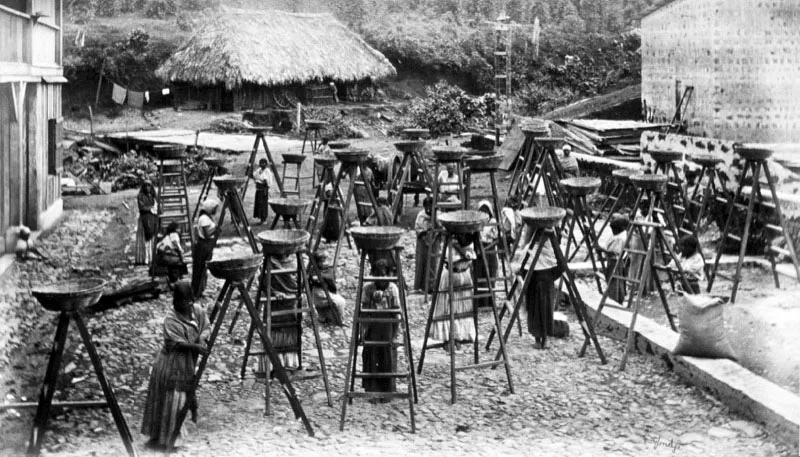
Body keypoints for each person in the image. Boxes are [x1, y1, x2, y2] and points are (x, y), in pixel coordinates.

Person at [141, 281, 209, 451]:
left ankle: (167, 438)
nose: (179, 304)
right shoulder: (170, 320)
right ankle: (169, 439)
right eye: (176, 300)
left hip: (186, 362)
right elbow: (177, 344)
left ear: (190, 300)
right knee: (173, 400)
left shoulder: (198, 311)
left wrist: (201, 339)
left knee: (180, 398)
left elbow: (206, 327)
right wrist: (195, 347)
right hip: (170, 363)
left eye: (183, 300)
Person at [361, 259, 401, 401]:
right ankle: (372, 390)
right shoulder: (368, 288)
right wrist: (362, 333)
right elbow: (363, 312)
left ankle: (387, 391)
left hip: (387, 327)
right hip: (373, 325)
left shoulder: (393, 289)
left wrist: (395, 336)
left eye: (384, 276)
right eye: (377, 275)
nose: (381, 280)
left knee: (386, 357)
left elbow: (396, 314)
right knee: (371, 356)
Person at [429, 233, 477, 351]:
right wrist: (458, 246)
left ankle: (459, 336)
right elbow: (452, 258)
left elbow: (471, 256)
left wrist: (463, 248)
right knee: (447, 307)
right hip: (451, 275)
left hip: (464, 275)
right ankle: (448, 338)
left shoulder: (470, 242)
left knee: (462, 308)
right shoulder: (450, 243)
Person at [525, 229, 562, 349]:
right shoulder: (550, 249)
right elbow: (560, 267)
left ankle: (539, 339)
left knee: (536, 310)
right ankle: (543, 339)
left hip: (537, 280)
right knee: (544, 309)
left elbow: (523, 268)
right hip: (545, 280)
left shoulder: (533, 249)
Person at [266, 253, 302, 370]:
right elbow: (264, 283)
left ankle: (290, 362)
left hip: (291, 302)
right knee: (275, 330)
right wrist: (275, 293)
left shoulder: (297, 261)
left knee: (291, 329)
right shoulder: (270, 263)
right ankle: (274, 362)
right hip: (276, 302)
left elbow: (299, 283)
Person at [191, 198, 219, 299]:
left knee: (203, 268)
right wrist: (216, 230)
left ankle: (201, 289)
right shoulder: (204, 219)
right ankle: (196, 292)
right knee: (200, 268)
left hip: (207, 244)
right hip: (204, 245)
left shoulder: (208, 217)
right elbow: (207, 234)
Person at [599, 217, 629, 304]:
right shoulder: (616, 236)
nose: (612, 231)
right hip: (612, 261)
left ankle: (615, 299)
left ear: (619, 229)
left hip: (615, 262)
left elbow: (615, 253)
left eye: (614, 229)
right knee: (614, 281)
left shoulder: (620, 238)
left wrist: (602, 250)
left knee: (614, 282)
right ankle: (616, 298)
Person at [309, 252, 345, 325]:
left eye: (325, 261)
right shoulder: (313, 270)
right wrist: (317, 278)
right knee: (341, 302)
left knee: (335, 304)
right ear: (317, 262)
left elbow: (330, 278)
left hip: (327, 291)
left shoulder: (329, 270)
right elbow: (312, 279)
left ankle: (330, 318)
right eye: (321, 261)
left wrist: (321, 276)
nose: (324, 263)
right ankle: (338, 320)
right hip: (318, 293)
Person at [475, 200, 499, 308]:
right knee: (479, 275)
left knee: (489, 274)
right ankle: (480, 302)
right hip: (480, 251)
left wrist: (486, 249)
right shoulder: (478, 222)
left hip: (490, 251)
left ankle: (489, 302)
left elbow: (496, 239)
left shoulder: (493, 221)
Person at [135, 180, 158, 265]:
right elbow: (142, 207)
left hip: (152, 218)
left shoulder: (153, 195)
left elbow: (157, 205)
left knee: (153, 237)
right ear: (143, 187)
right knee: (145, 238)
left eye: (149, 186)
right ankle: (144, 258)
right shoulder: (140, 196)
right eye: (146, 186)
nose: (148, 188)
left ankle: (152, 257)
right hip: (145, 219)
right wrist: (151, 208)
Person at [413, 197, 434, 292]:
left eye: (430, 207)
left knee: (432, 264)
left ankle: (431, 286)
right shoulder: (421, 215)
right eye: (427, 207)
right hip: (422, 241)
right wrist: (423, 232)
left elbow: (440, 227)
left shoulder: (437, 215)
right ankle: (420, 286)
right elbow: (417, 227)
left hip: (434, 242)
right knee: (421, 263)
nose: (428, 209)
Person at [253, 158, 274, 225]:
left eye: (263, 163)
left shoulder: (267, 171)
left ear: (266, 164)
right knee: (258, 204)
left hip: (264, 189)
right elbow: (254, 176)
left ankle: (264, 219)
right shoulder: (259, 170)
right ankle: (260, 219)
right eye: (260, 163)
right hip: (258, 189)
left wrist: (266, 188)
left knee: (263, 205)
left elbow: (268, 182)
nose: (261, 164)